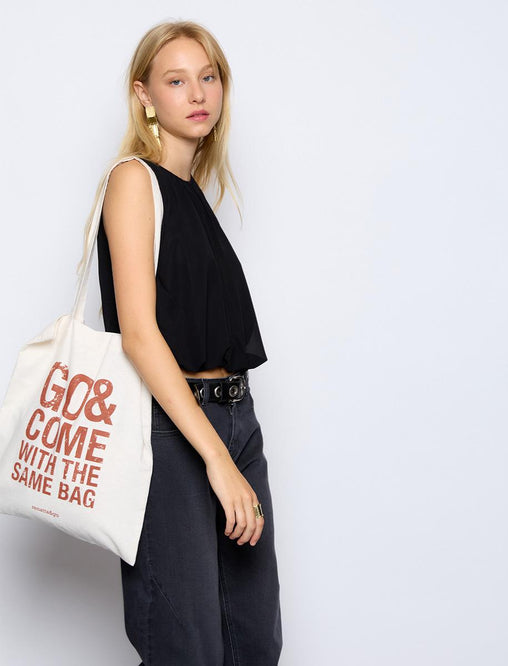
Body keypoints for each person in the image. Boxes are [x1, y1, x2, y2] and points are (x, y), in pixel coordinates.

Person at [81, 19, 283, 665]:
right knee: (186, 646)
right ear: (144, 95)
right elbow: (140, 336)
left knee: (253, 641)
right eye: (175, 81)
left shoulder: (194, 195)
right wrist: (215, 459)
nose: (197, 93)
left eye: (208, 77)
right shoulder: (132, 180)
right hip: (170, 433)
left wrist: (232, 447)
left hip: (236, 420)